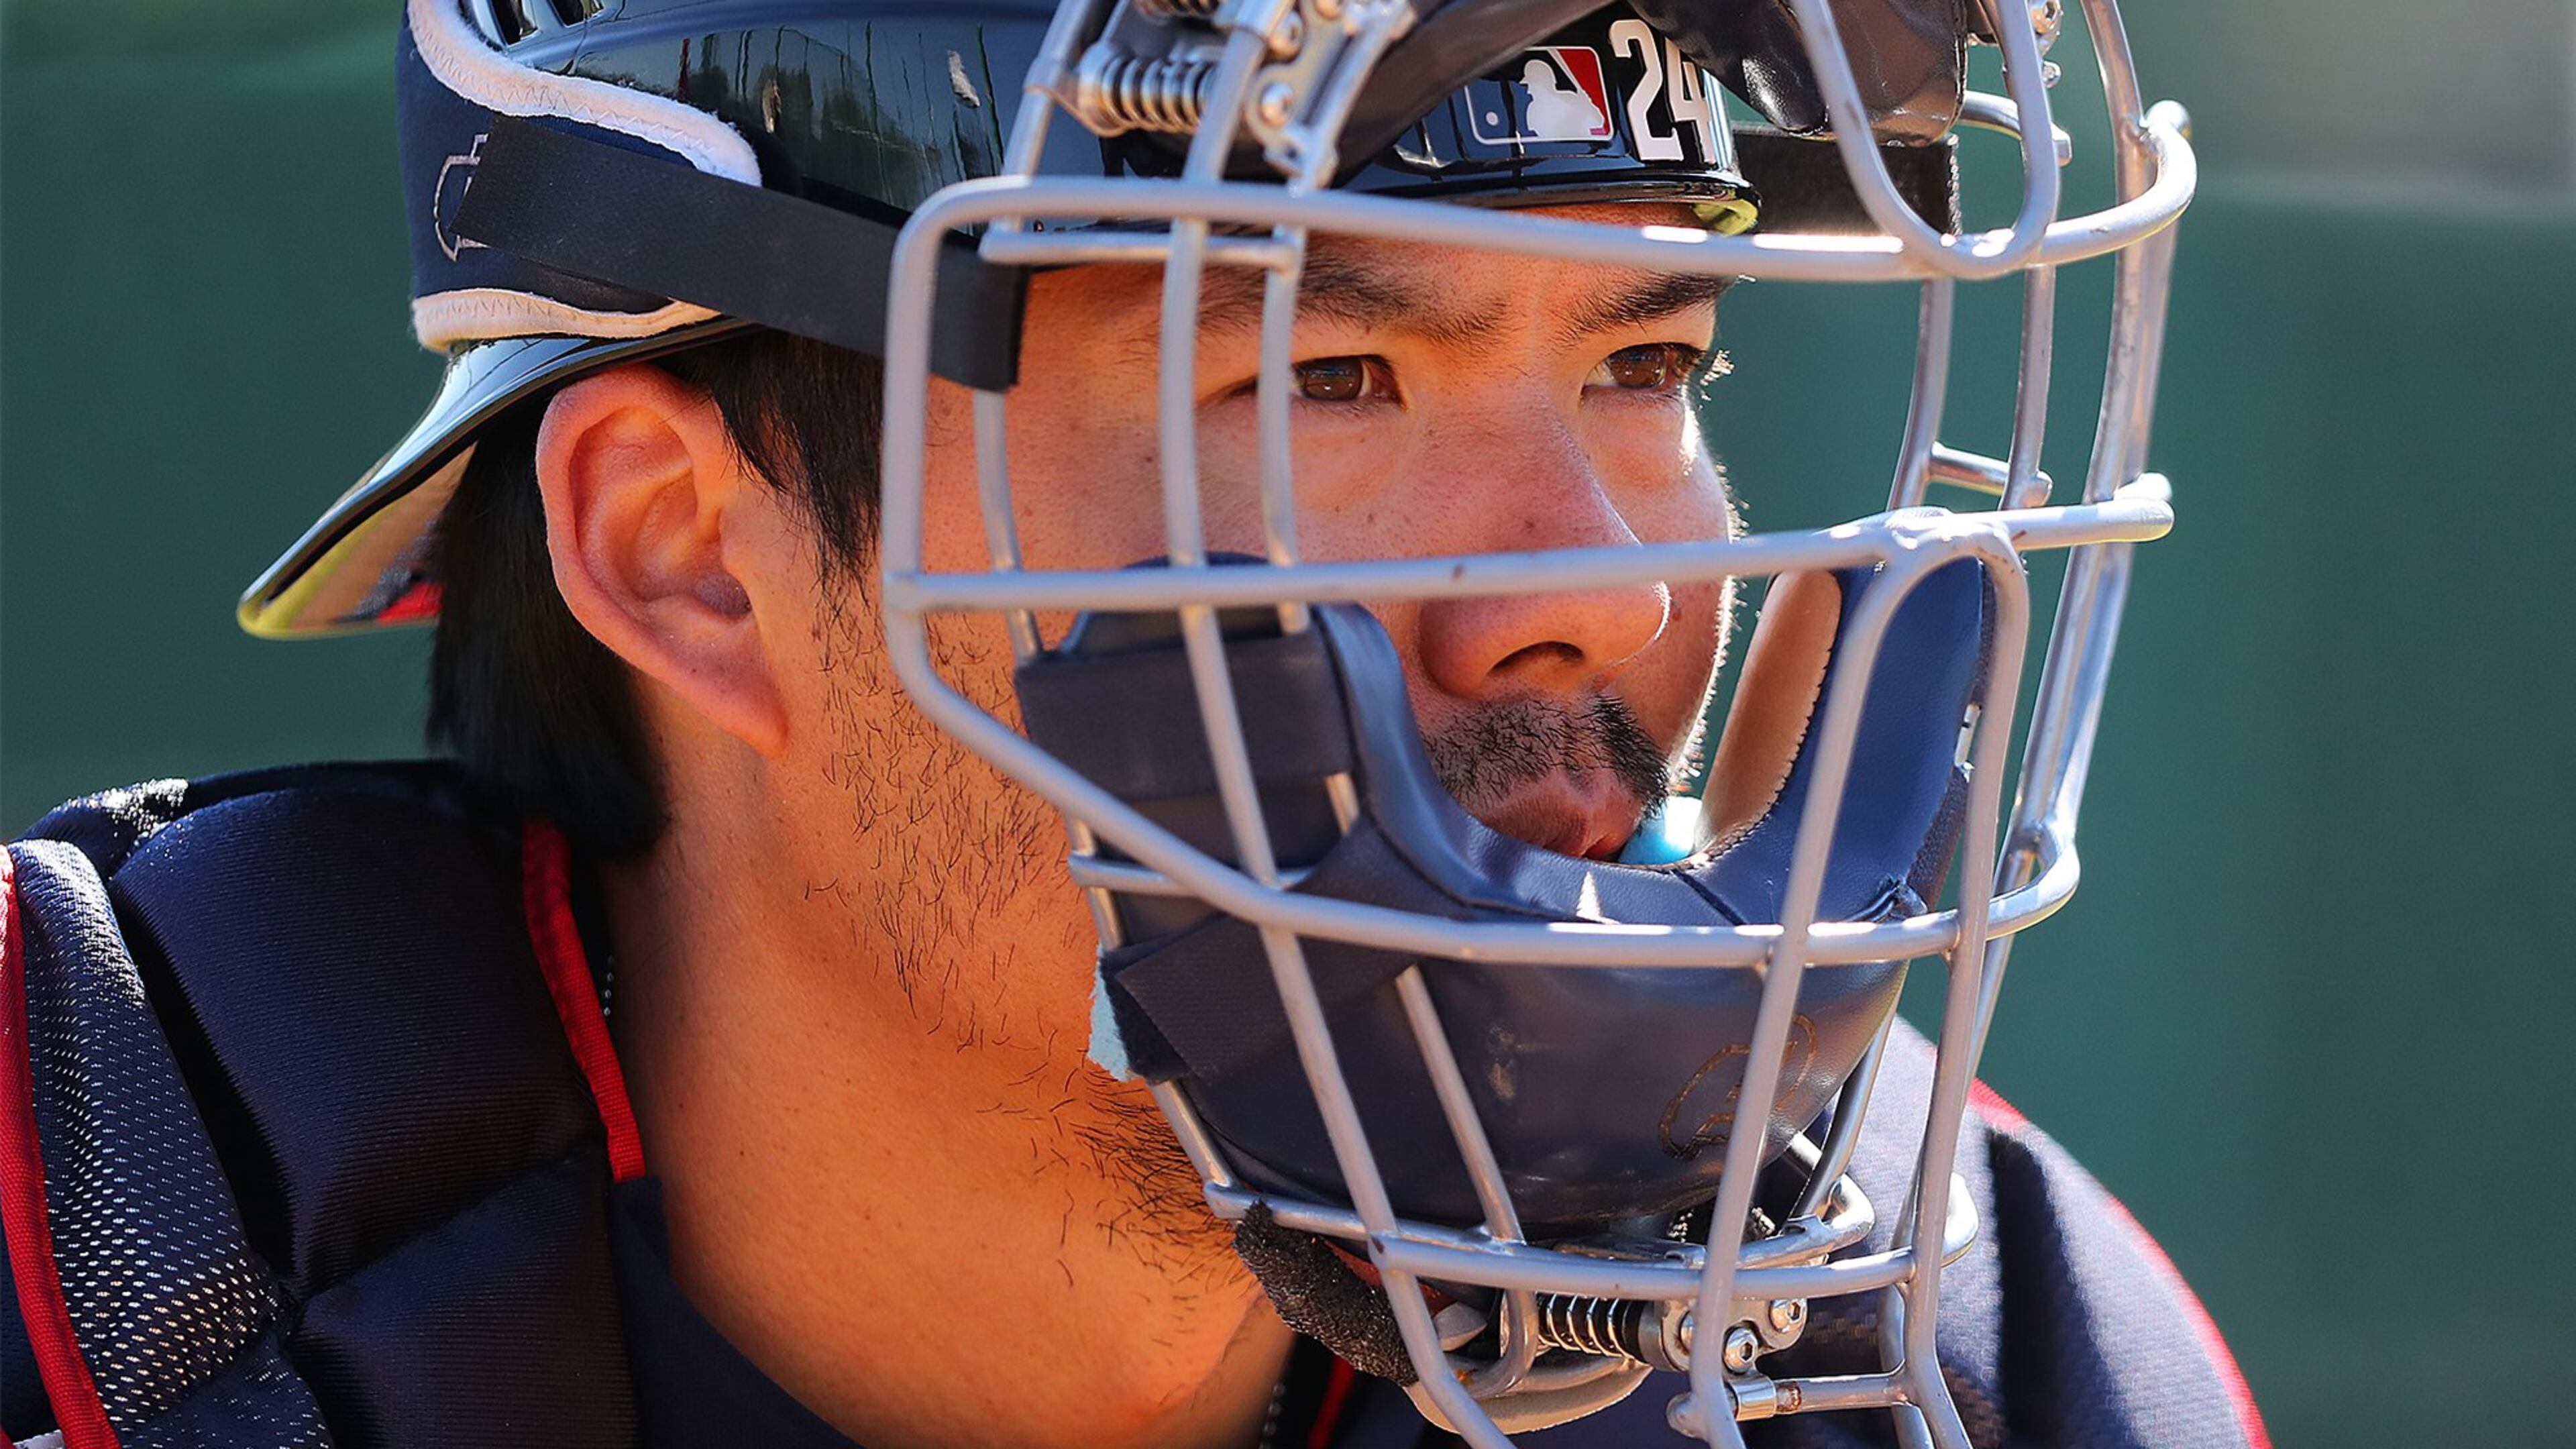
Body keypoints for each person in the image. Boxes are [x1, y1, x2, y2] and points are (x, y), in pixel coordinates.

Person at [1, 2, 2267, 1447]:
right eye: (1319, 378)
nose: (1609, 594)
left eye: (1649, 370)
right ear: (695, 555)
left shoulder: (1992, 1366)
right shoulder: (99, 1270)